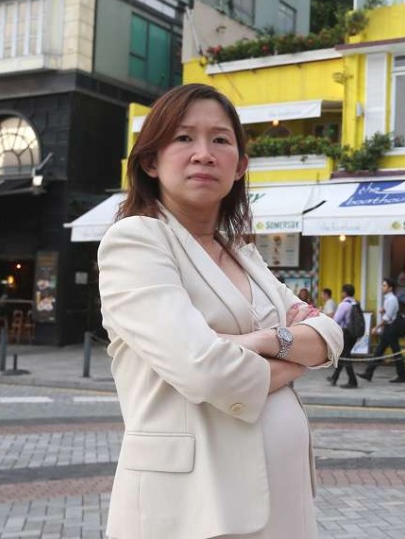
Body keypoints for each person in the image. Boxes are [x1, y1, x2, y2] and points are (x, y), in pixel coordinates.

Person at [98, 84, 343, 539]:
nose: (204, 154)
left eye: (220, 140)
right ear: (151, 161)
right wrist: (296, 360)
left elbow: (329, 332)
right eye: (183, 138)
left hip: (283, 503)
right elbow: (206, 370)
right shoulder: (137, 240)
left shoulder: (241, 252)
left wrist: (263, 341)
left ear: (240, 165)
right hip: (193, 508)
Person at [358, 278, 405, 384]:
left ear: (390, 288)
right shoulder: (388, 299)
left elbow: (388, 317)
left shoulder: (391, 299)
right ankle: (369, 372)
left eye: (384, 285)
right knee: (379, 350)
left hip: (391, 328)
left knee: (395, 352)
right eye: (382, 285)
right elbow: (389, 312)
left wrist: (376, 327)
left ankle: (402, 375)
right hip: (388, 328)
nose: (382, 287)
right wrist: (383, 310)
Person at [328, 284, 360, 388]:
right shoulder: (356, 303)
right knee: (344, 355)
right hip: (354, 333)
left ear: (345, 293)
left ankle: (353, 381)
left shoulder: (344, 304)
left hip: (346, 333)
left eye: (342, 292)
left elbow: (336, 320)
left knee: (346, 356)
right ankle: (334, 377)